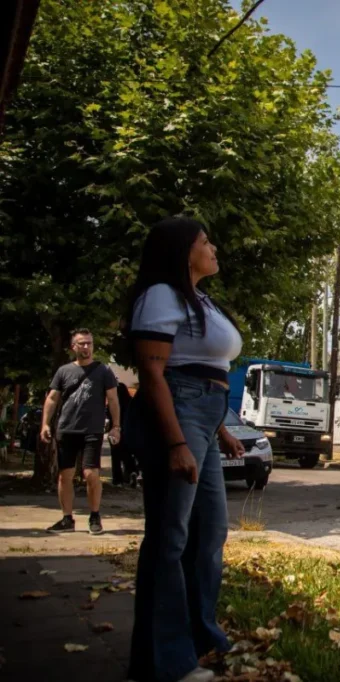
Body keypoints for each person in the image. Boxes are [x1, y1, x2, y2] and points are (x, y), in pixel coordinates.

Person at [124, 217, 245, 682]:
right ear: (182, 251)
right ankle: (164, 663)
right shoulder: (161, 295)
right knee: (170, 537)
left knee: (210, 532)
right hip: (179, 413)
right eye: (205, 242)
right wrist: (177, 441)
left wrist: (221, 430)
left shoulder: (201, 300)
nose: (213, 249)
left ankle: (198, 639)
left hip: (205, 417)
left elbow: (206, 368)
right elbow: (154, 373)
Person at [40, 329, 120, 535]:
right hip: (67, 429)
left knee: (91, 474)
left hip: (92, 430)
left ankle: (95, 516)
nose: (86, 347)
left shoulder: (103, 371)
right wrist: (45, 424)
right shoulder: (64, 371)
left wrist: (116, 426)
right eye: (82, 343)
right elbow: (52, 398)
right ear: (73, 347)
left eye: (89, 343)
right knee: (64, 475)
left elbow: (113, 400)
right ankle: (67, 519)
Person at [110, 382, 139, 486]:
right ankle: (132, 471)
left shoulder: (114, 403)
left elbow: (108, 414)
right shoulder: (131, 402)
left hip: (115, 430)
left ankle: (117, 479)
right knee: (127, 453)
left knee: (115, 455)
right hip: (128, 431)